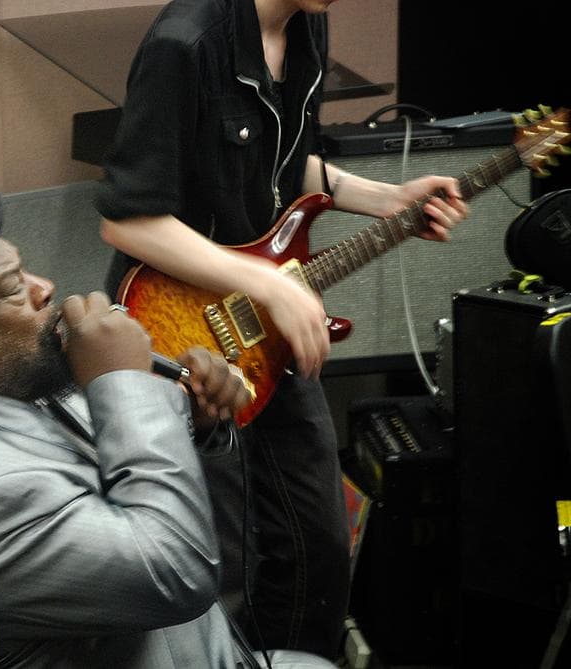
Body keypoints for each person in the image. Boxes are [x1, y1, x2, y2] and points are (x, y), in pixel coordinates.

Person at [94, 0, 470, 660]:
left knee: (318, 546)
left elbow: (285, 166)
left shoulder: (308, 23)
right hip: (178, 329)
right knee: (221, 567)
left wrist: (389, 198)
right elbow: (128, 220)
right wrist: (266, 283)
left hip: (266, 326)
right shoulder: (185, 44)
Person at [0, 191, 335, 668]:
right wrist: (124, 384)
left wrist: (194, 420)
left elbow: (134, 479)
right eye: (13, 288)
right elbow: (175, 570)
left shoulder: (10, 385)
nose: (45, 289)